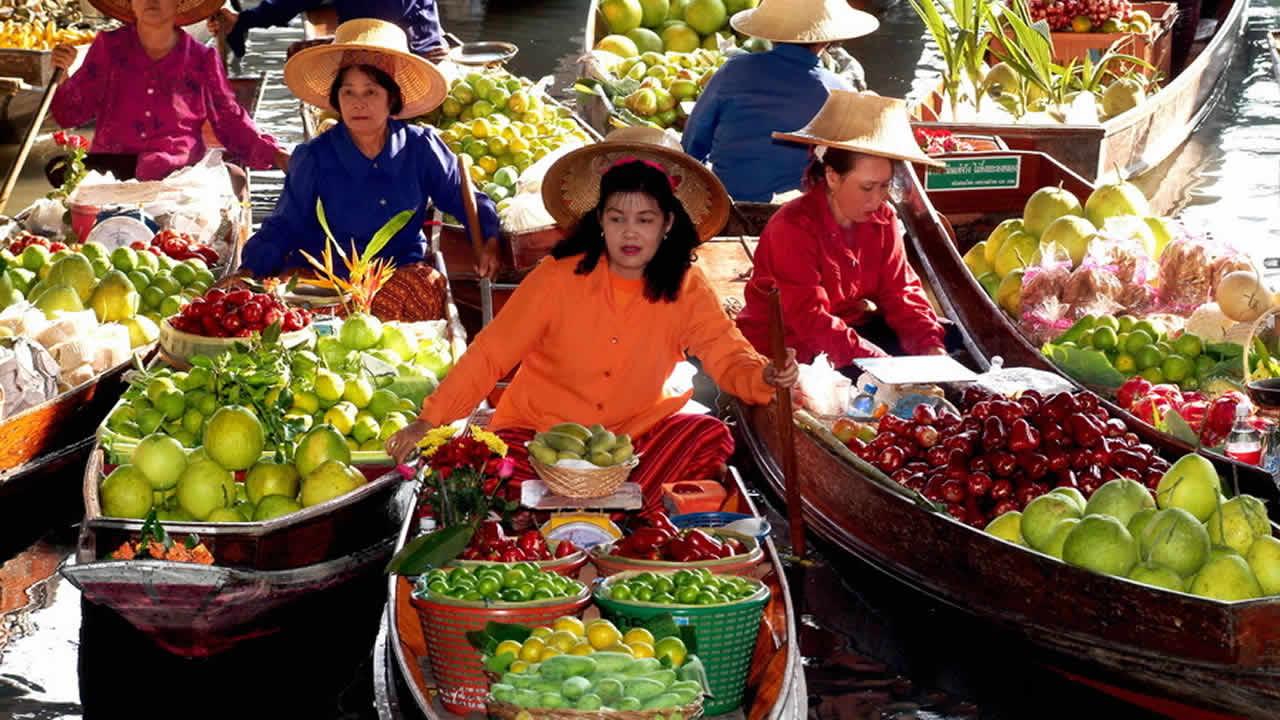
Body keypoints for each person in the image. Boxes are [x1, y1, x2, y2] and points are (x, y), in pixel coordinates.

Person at [387, 128, 800, 515]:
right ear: (600, 222)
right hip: (540, 435)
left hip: (635, 438)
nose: (630, 233)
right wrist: (431, 418)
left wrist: (764, 376)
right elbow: (490, 354)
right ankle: (625, 514)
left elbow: (727, 353)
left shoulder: (686, 286)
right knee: (493, 470)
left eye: (645, 219)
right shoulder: (555, 277)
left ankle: (629, 517)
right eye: (617, 218)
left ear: (667, 225)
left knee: (709, 436)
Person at [238, 19, 501, 286]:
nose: (358, 103)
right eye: (348, 92)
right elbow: (284, 225)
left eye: (371, 92)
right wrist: (248, 271)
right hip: (324, 279)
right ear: (337, 99)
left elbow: (463, 196)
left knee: (428, 284)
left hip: (396, 275)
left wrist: (490, 239)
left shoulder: (422, 146)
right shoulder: (314, 156)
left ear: (392, 98)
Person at [734, 90, 949, 374]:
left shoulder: (883, 219)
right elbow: (811, 319)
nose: (877, 200)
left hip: (846, 333)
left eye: (884, 186)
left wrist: (931, 347)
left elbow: (901, 292)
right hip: (788, 349)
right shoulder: (791, 228)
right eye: (867, 188)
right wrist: (881, 365)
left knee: (949, 339)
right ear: (833, 177)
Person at [48, 0, 288, 199]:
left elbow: (229, 119)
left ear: (178, 4)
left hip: (178, 175)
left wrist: (275, 154)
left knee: (237, 180)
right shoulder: (108, 47)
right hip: (111, 172)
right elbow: (71, 114)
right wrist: (63, 74)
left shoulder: (202, 58)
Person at [681, 0, 878, 203]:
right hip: (797, 214)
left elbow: (693, 143)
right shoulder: (840, 92)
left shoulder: (733, 71)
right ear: (827, 41)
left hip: (727, 206)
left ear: (771, 35)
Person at [208, 0, 448, 63]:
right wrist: (244, 19)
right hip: (365, 48)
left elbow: (388, 18)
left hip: (419, 56)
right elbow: (287, 6)